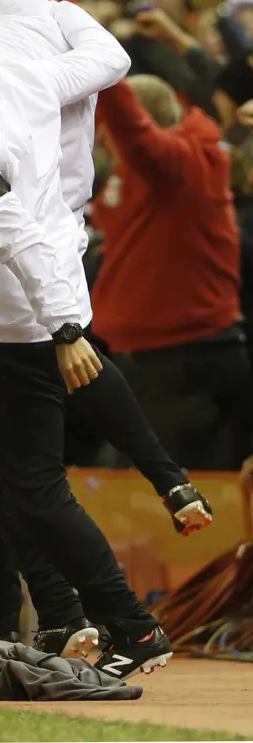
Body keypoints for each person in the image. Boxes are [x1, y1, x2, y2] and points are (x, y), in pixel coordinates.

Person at [0, 1, 212, 667]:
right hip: (33, 278)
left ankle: (130, 623)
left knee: (28, 480)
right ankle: (50, 613)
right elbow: (113, 58)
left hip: (18, 297)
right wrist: (63, 7)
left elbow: (1, 221)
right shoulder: (47, 74)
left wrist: (61, 324)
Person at [93, 75, 249, 471]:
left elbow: (133, 129)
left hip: (184, 359)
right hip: (148, 358)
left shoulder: (177, 165)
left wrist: (97, 63)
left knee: (179, 496)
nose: (98, 139)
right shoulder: (136, 172)